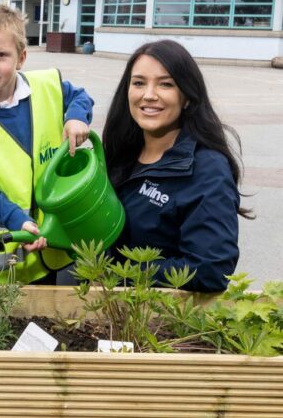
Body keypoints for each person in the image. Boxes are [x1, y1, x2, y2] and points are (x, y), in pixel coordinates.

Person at [0, 4, 93, 284]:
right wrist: (18, 221)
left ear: (21, 57)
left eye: (0, 55)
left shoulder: (48, 85)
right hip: (4, 253)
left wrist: (75, 118)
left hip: (60, 240)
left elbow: (80, 98)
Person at [103, 40, 249, 292]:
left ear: (187, 98)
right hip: (104, 305)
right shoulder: (120, 154)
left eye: (166, 84)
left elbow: (210, 269)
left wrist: (120, 273)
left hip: (156, 319)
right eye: (138, 83)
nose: (149, 94)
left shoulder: (207, 169)